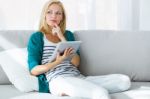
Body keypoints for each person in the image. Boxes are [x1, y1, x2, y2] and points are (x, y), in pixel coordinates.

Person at [27, 0, 131, 99]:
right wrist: (58, 61)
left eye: (58, 13)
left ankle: (84, 89)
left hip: (78, 77)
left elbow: (76, 62)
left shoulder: (68, 34)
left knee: (124, 81)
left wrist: (62, 38)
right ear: (44, 15)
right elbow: (33, 70)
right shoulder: (37, 37)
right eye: (49, 12)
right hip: (58, 80)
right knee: (100, 93)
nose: (54, 16)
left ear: (62, 17)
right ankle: (87, 90)